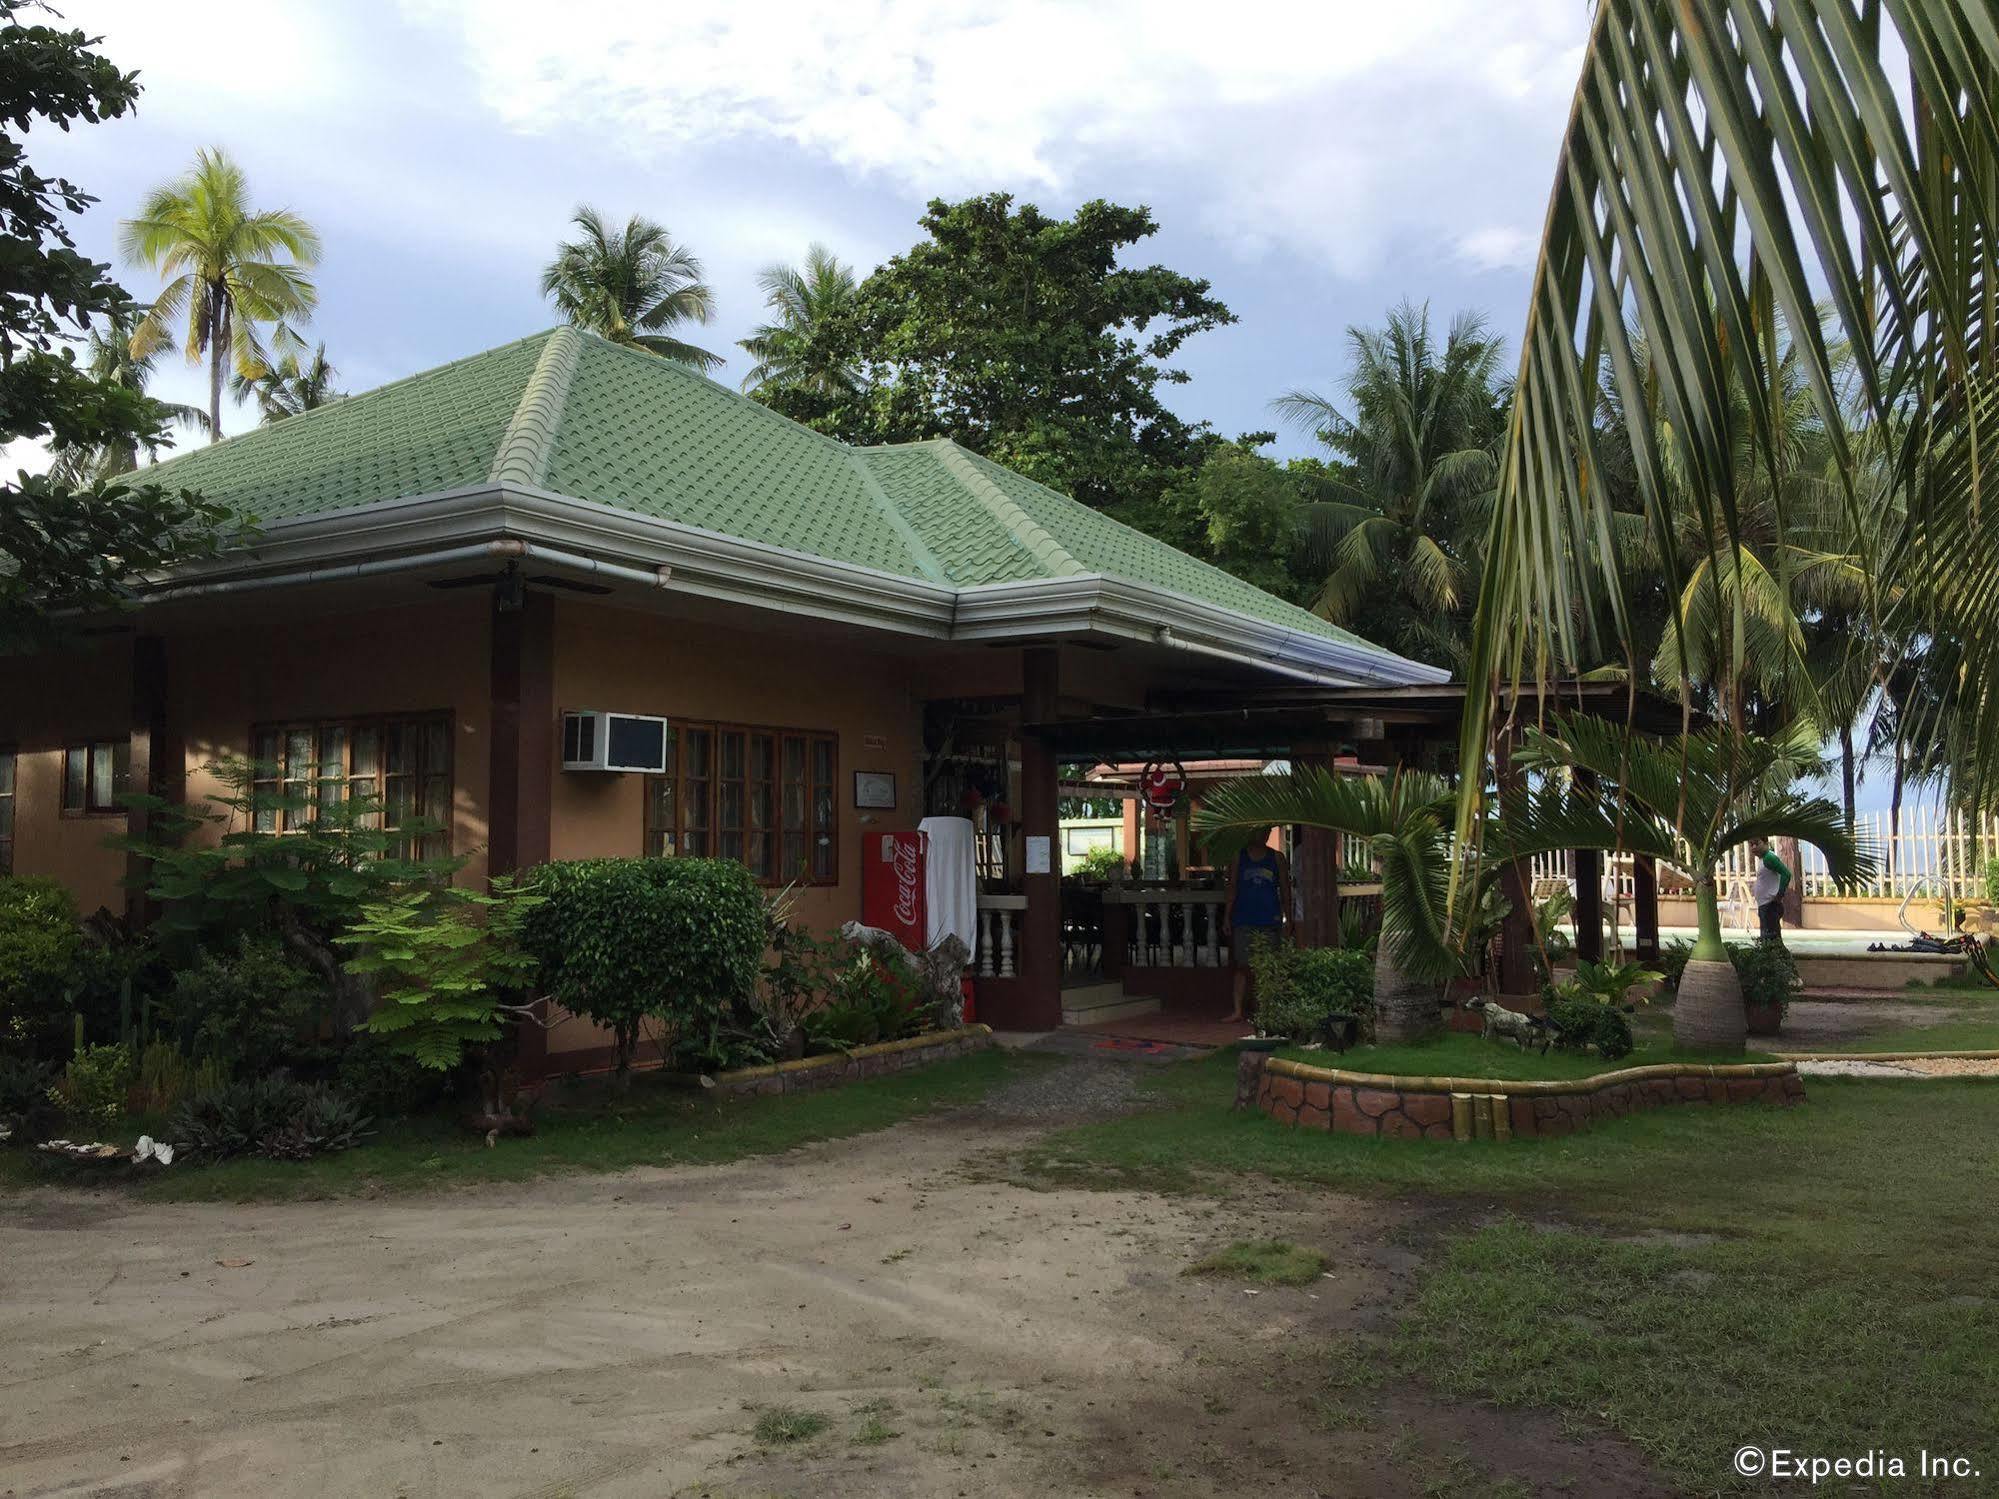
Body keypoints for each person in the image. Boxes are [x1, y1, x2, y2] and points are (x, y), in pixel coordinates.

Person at [1223, 828, 1293, 1023]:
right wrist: (1227, 916)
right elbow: (1232, 888)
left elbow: (1286, 890)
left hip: (1269, 920)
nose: (1262, 835)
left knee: (1268, 966)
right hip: (1244, 918)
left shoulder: (1277, 858)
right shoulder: (1239, 857)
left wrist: (1289, 917)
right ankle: (1238, 1010)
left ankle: (1265, 1009)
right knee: (1242, 965)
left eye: (1265, 831)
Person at [1748, 836, 1792, 945]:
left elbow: (1786, 874)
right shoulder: (1763, 860)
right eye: (1751, 844)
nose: (1754, 847)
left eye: (1757, 843)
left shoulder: (1769, 858)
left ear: (1766, 843)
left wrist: (1779, 894)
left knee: (1771, 939)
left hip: (1770, 905)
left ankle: (1779, 960)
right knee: (1768, 938)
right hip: (1765, 905)